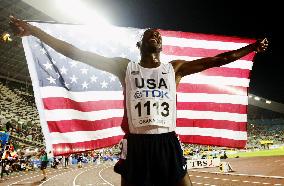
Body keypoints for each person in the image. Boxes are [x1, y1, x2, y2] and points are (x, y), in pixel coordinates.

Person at [9, 16, 268, 186]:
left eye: (158, 35)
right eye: (149, 33)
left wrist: (251, 48)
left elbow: (218, 60)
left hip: (167, 140)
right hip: (136, 144)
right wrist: (34, 31)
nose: (155, 35)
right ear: (140, 43)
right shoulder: (125, 67)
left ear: (162, 46)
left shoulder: (174, 69)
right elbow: (77, 53)